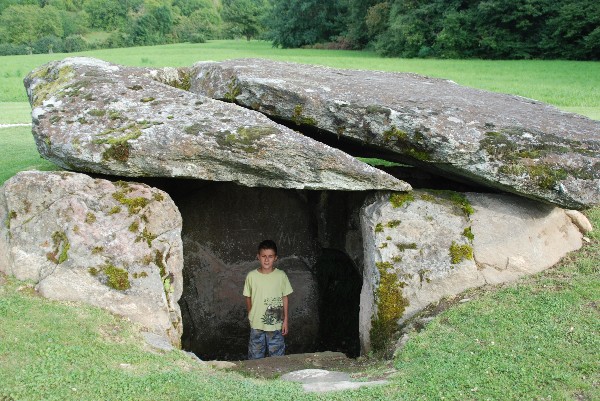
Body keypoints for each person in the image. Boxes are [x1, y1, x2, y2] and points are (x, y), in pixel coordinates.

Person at [243, 240, 293, 360]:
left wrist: (285, 320)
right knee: (255, 356)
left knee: (277, 357)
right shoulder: (251, 276)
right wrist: (251, 314)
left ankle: (277, 376)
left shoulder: (281, 276)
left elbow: (285, 297)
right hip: (257, 324)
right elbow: (248, 296)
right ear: (258, 257)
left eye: (270, 256)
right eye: (264, 256)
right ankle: (255, 377)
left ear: (275, 258)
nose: (266, 260)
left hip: (276, 325)